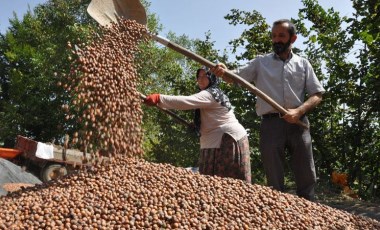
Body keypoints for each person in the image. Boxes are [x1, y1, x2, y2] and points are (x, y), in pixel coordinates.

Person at [212, 19, 325, 201]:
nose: (276, 40)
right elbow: (234, 77)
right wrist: (224, 71)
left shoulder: (303, 64)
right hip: (271, 125)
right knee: (274, 177)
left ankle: (309, 211)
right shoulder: (260, 62)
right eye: (274, 36)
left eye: (281, 36)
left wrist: (299, 111)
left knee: (306, 174)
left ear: (293, 39)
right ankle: (278, 213)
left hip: (298, 123)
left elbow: (317, 94)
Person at [144, 68, 251, 183]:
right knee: (213, 185)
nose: (200, 80)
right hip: (216, 141)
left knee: (227, 184)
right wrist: (198, 125)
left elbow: (185, 101)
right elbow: (211, 117)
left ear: (212, 77)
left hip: (226, 141)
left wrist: (159, 98)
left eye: (205, 76)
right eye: (198, 77)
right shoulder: (212, 93)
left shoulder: (211, 93)